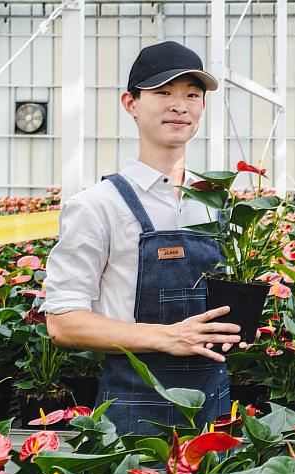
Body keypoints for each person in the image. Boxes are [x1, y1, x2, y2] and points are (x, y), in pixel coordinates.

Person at [41, 41, 247, 435]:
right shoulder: (97, 205)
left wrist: (240, 330)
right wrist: (167, 337)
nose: (179, 105)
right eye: (163, 93)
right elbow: (63, 323)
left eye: (192, 94)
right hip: (134, 409)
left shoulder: (216, 205)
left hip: (215, 404)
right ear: (131, 103)